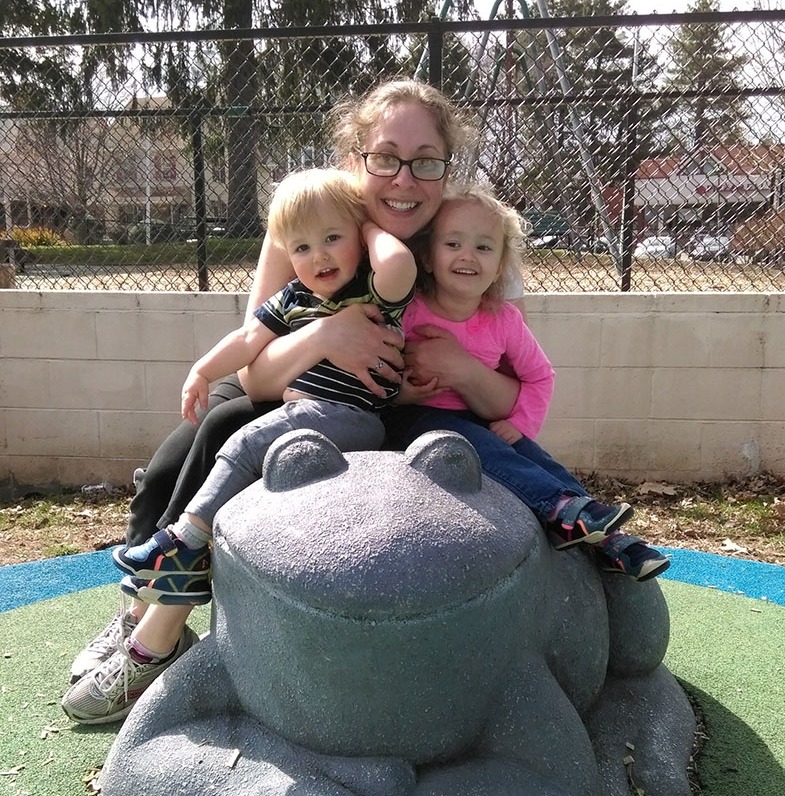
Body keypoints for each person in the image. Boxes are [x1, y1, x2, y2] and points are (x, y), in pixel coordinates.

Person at [67, 77, 517, 686]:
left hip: (370, 404)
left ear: (447, 167)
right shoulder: (309, 215)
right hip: (285, 374)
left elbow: (508, 375)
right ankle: (138, 609)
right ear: (354, 159)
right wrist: (327, 335)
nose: (404, 179)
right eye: (386, 158)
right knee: (187, 446)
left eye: (426, 161)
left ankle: (160, 622)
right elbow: (255, 369)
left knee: (230, 428)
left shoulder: (466, 238)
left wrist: (449, 372)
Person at [60, 166, 418, 723]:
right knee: (175, 462)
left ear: (357, 235)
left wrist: (366, 223)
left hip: (351, 418)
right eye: (302, 247)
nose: (320, 255)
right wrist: (203, 369)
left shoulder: (368, 288)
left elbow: (398, 265)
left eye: (333, 238)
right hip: (299, 407)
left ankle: (182, 548)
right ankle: (139, 607)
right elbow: (250, 340)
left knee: (244, 437)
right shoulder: (297, 296)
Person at [388, 183, 670, 580]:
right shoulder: (408, 311)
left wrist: (520, 424)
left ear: (500, 266)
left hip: (480, 418)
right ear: (428, 258)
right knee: (483, 446)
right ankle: (560, 508)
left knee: (535, 457)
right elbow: (380, 372)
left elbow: (540, 376)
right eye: (453, 244)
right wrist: (400, 395)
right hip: (419, 418)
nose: (468, 255)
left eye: (484, 247)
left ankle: (609, 539)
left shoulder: (503, 319)